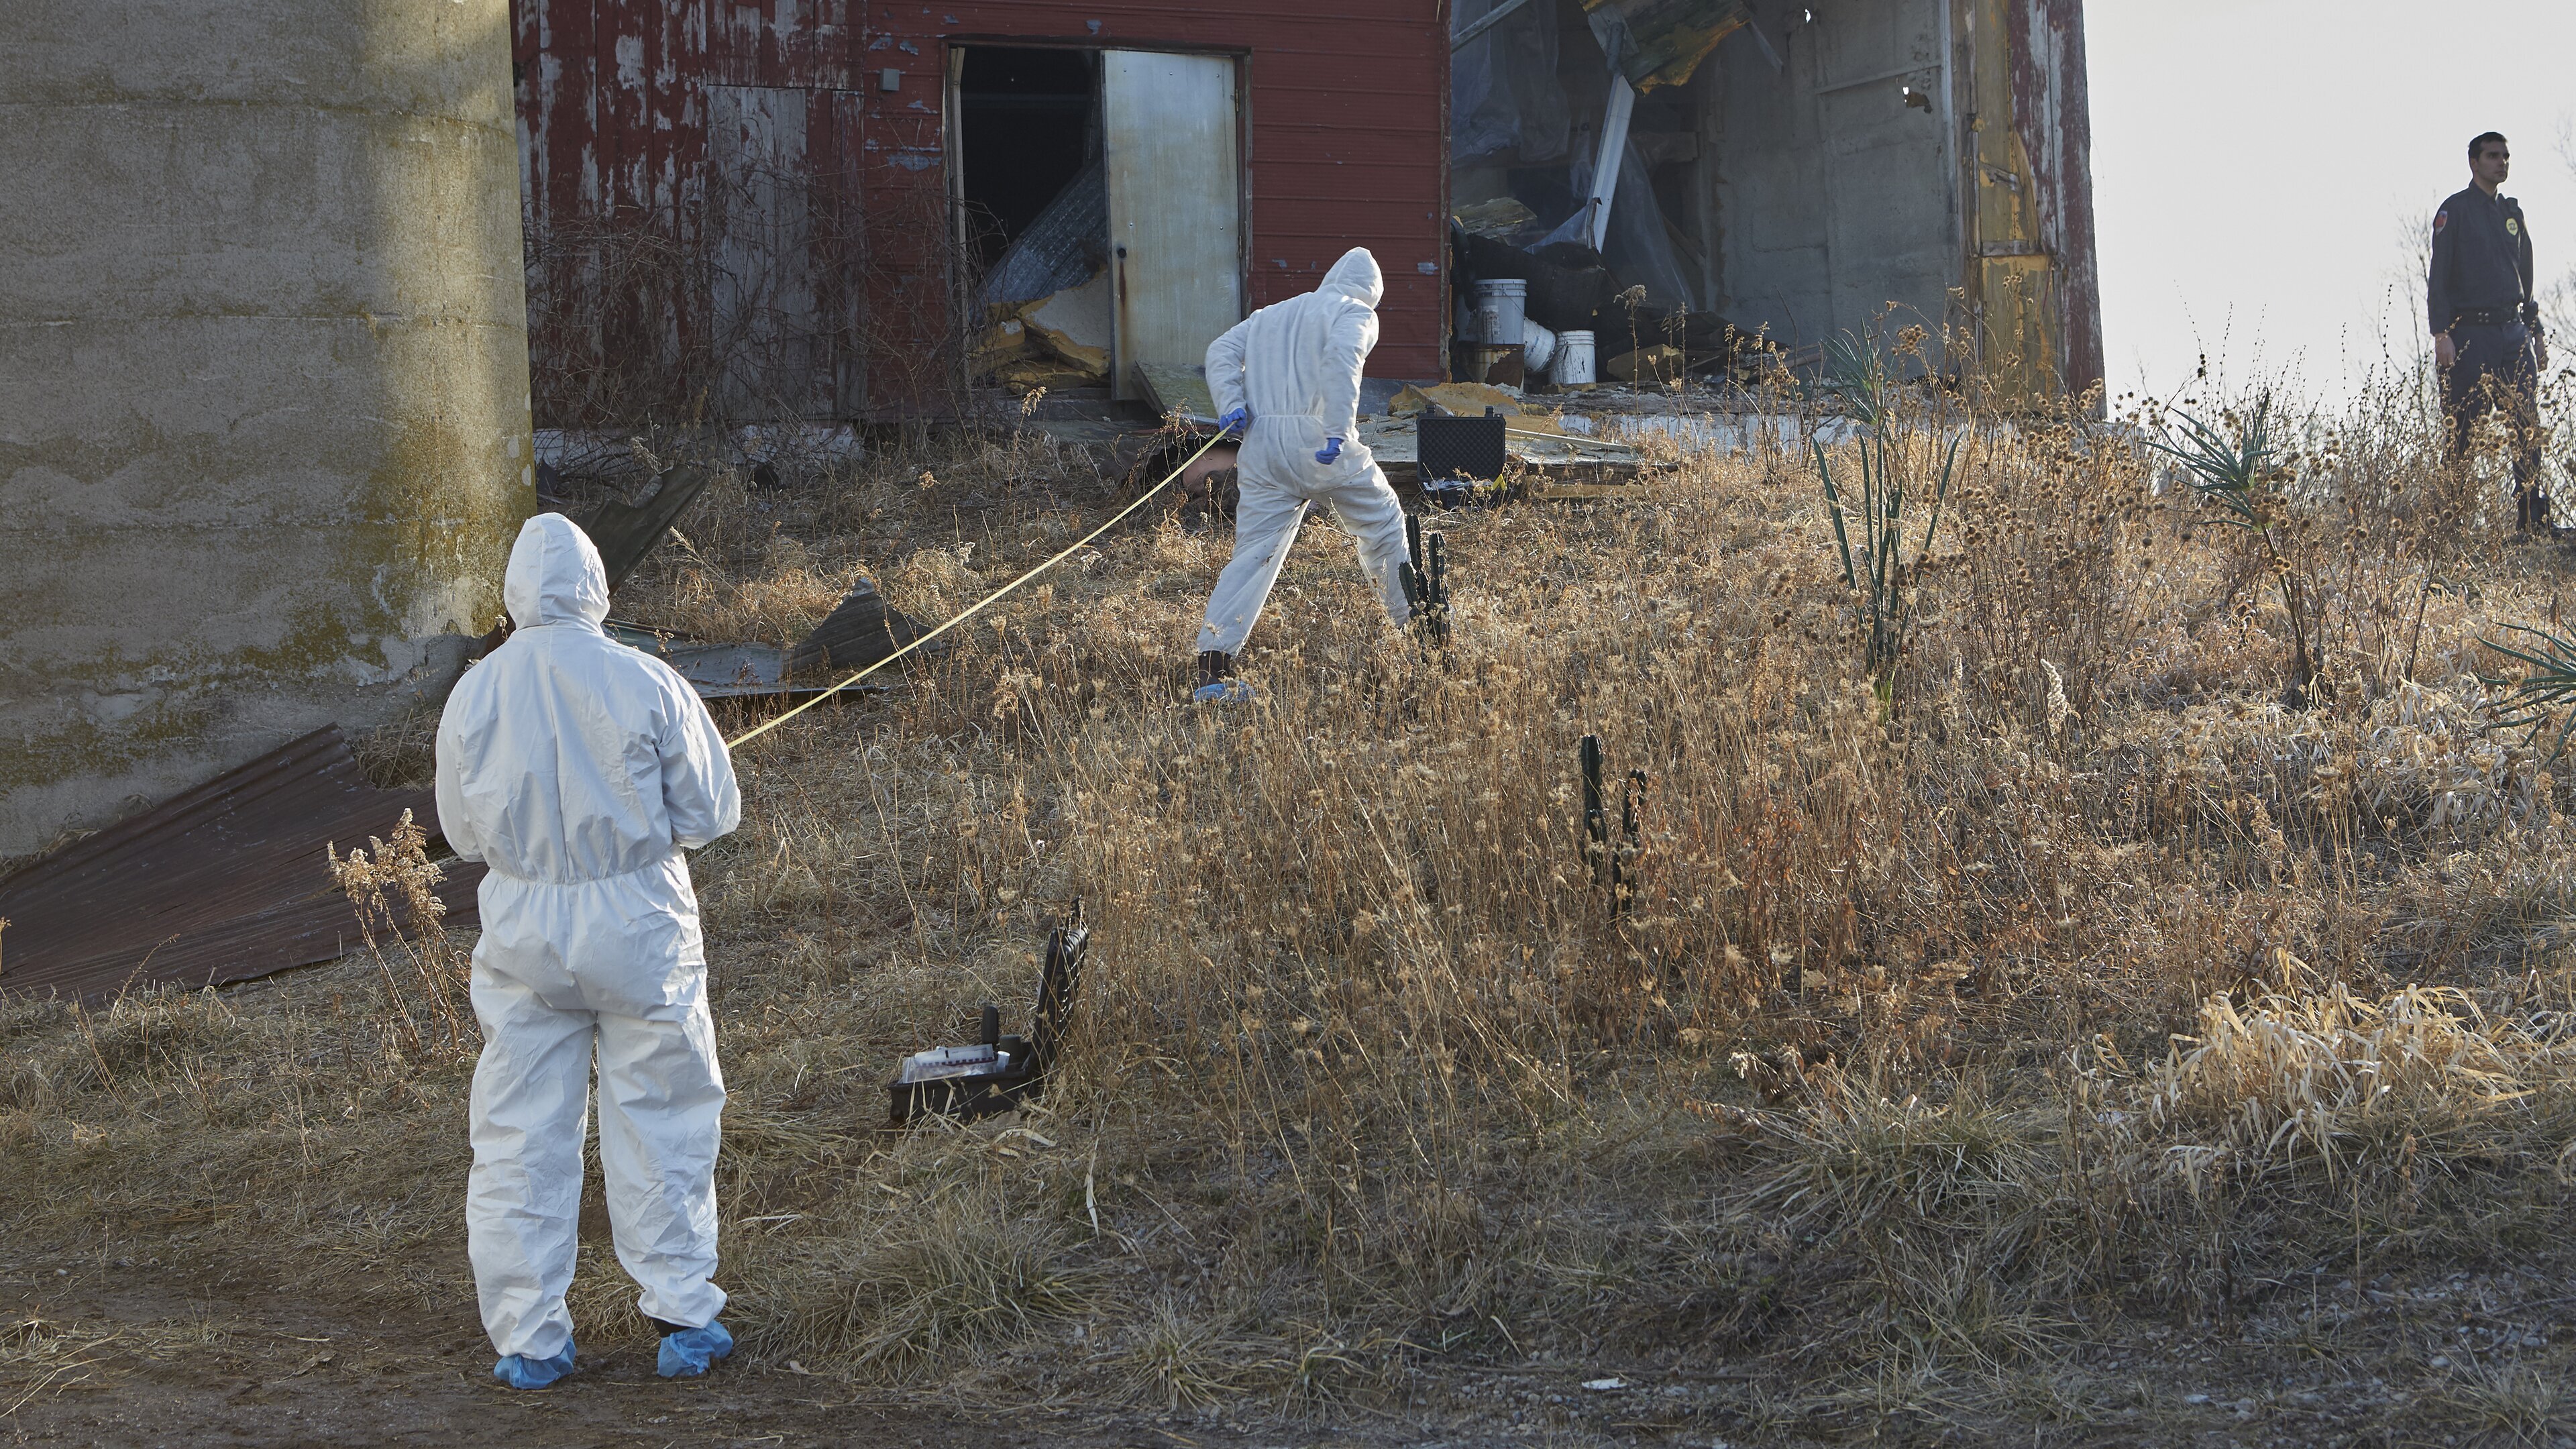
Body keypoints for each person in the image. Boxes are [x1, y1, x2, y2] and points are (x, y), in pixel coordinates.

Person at [435, 513, 743, 1389]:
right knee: (666, 1113)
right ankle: (684, 1316)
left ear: (515, 595)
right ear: (597, 586)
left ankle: (529, 1338)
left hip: (524, 928)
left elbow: (461, 833)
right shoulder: (647, 680)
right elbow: (712, 812)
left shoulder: (475, 693)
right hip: (640, 920)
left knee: (518, 1130)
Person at [1192, 247, 1413, 702]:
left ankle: (1213, 669)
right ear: (1372, 294)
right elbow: (1343, 361)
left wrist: (1231, 403)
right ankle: (1420, 631)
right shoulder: (1356, 312)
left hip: (1262, 446)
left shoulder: (1273, 314)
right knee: (1384, 524)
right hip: (1320, 441)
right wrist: (1338, 429)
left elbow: (1221, 350)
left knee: (1253, 554)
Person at [2429, 131, 2552, 530]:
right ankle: (2451, 522)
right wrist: (2441, 334)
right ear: (2474, 162)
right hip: (2470, 334)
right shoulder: (2455, 211)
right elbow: (2439, 278)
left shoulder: (2511, 214)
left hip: (2512, 333)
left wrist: (2535, 331)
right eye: (2493, 156)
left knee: (2527, 426)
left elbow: (2525, 280)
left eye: (2506, 156)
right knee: (2463, 430)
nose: (2502, 163)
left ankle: (2531, 520)